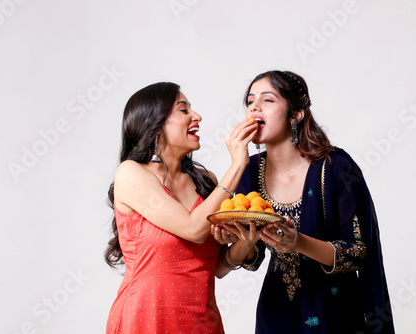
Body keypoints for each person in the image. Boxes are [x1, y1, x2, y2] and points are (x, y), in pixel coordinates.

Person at [211, 70, 395, 333]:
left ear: (297, 114)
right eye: (250, 101)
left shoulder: (335, 167)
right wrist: (244, 240)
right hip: (275, 314)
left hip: (334, 315)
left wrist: (298, 242)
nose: (254, 107)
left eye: (267, 100)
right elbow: (252, 259)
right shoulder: (249, 170)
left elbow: (356, 252)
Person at [104, 82, 259, 334]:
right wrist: (238, 165)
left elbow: (215, 268)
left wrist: (245, 244)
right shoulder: (131, 174)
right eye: (183, 110)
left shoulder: (206, 181)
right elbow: (193, 229)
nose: (197, 116)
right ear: (153, 124)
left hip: (201, 321)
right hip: (146, 320)